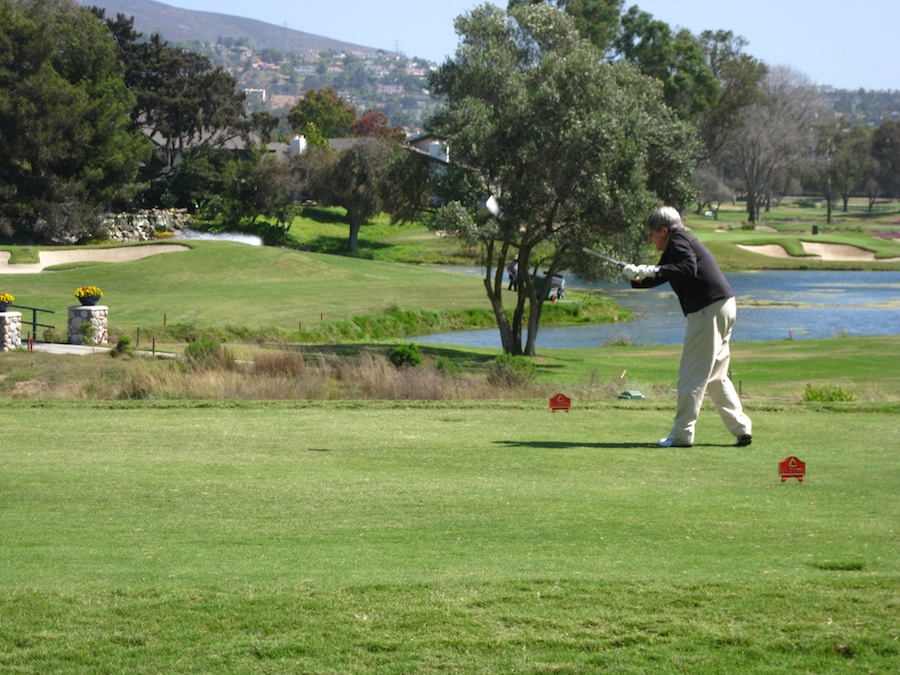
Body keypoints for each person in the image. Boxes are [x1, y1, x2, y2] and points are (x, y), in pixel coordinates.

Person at [622, 206, 752, 448]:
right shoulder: (679, 243)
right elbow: (662, 276)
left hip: (707, 310)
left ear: (664, 231)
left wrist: (651, 269)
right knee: (716, 377)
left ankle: (682, 435)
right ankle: (741, 428)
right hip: (723, 305)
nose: (651, 239)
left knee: (691, 376)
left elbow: (687, 269)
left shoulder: (679, 241)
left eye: (652, 234)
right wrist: (635, 276)